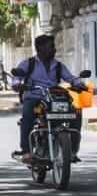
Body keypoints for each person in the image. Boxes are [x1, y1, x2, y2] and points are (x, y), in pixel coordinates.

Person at [12, 35, 87, 163]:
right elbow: (16, 79)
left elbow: (70, 77)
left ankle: (73, 150)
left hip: (53, 98)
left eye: (53, 46)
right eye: (51, 46)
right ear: (40, 48)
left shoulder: (58, 66)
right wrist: (18, 84)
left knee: (75, 113)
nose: (54, 49)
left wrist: (79, 83)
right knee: (27, 116)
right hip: (34, 98)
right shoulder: (28, 64)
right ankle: (26, 151)